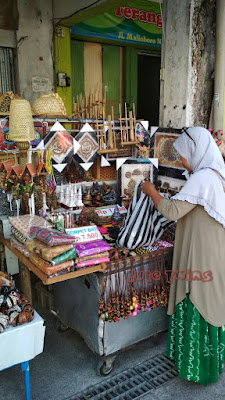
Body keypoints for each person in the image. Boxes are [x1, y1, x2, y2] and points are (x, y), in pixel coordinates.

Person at [141, 126, 225, 386]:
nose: (183, 163)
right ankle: (207, 362)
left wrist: (150, 190)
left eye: (184, 156)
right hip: (210, 248)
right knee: (208, 297)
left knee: (198, 297)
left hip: (201, 254)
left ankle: (197, 368)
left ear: (197, 151)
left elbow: (170, 211)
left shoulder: (202, 178)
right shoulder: (216, 173)